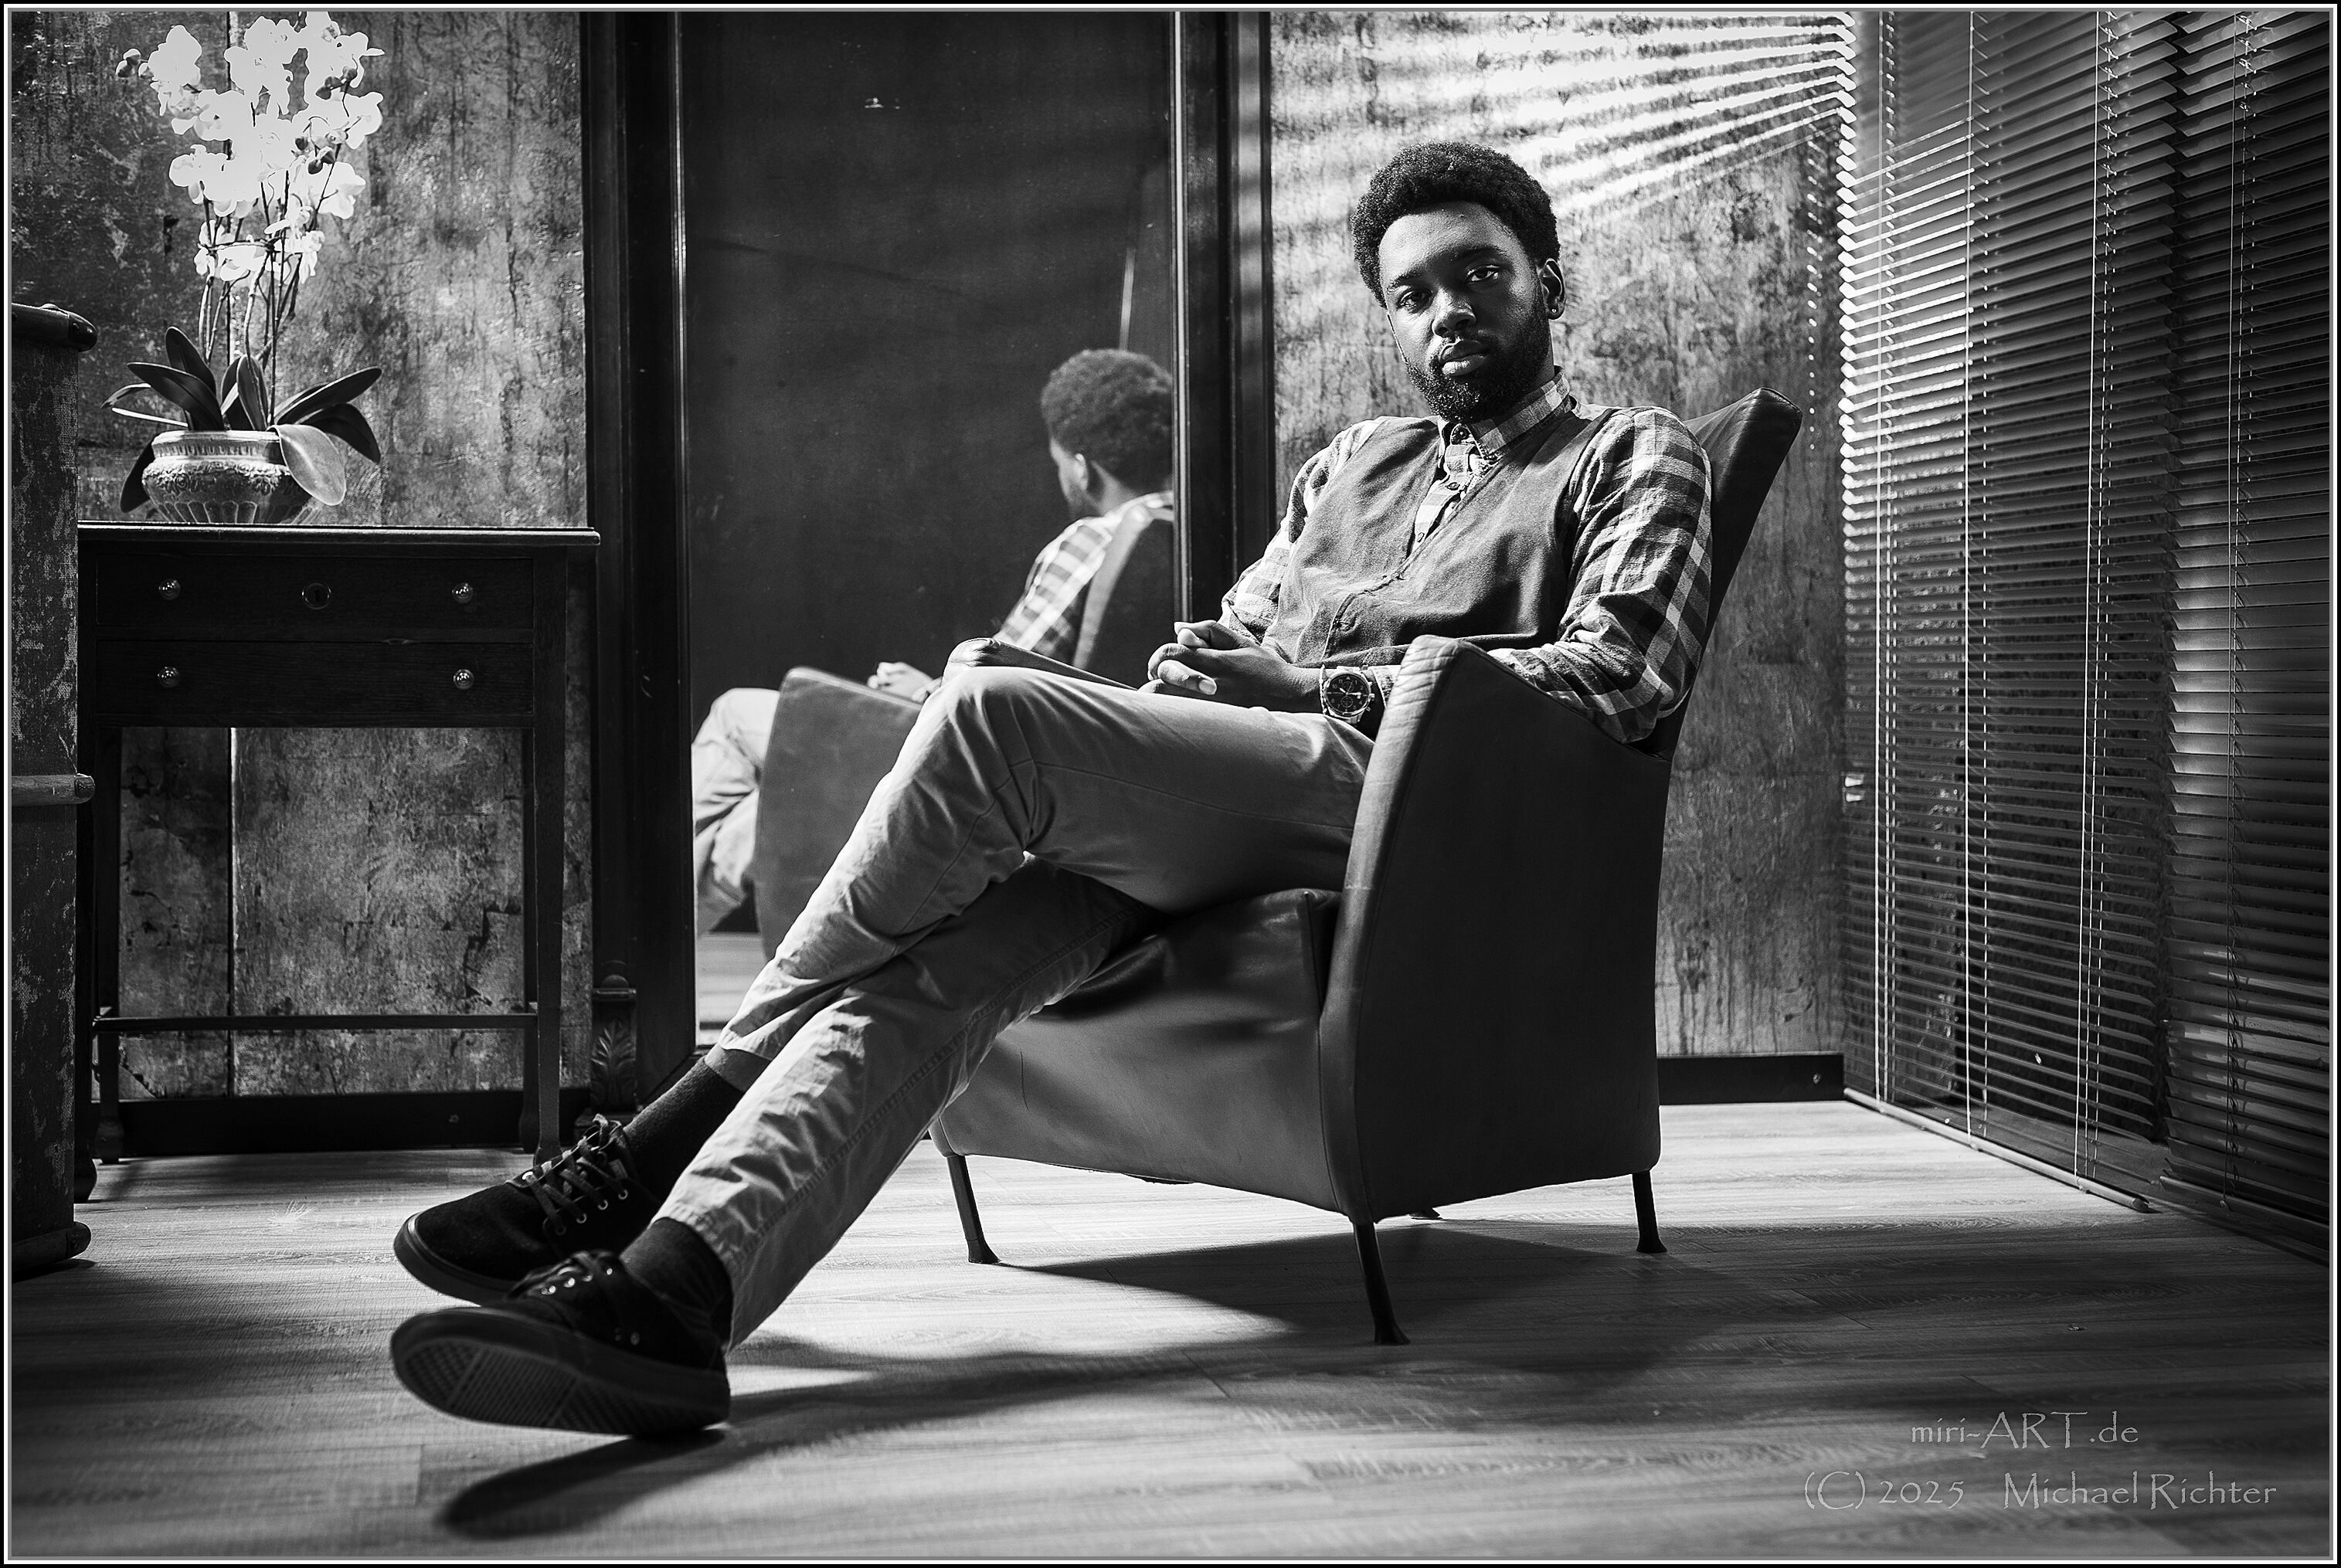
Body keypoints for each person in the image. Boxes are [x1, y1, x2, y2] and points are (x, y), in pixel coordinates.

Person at [387, 141, 1714, 1436]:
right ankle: (676, 1296)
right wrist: (1192, 680)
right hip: (1246, 805)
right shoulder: (1351, 461)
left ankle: (660, 1136)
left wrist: (1313, 686)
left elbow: (1621, 679)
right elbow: (1242, 627)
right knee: (931, 970)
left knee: (991, 706)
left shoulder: (1630, 450)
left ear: (1547, 280)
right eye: (1412, 294)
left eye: (1478, 275)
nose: (1445, 313)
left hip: (1407, 804)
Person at [689, 349, 1177, 932]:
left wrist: (925, 691)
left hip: (967, 761)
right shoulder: (1181, 532)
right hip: (1070, 783)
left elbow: (993, 681)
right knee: (750, 799)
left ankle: (649, 937)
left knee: (736, 723)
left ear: (1081, 469)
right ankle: (664, 927)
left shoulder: (1092, 539)